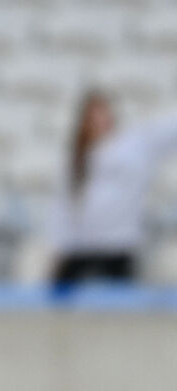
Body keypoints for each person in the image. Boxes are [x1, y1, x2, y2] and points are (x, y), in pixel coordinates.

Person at [51, 88, 177, 286]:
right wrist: (60, 244)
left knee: (119, 310)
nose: (99, 121)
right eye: (93, 117)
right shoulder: (76, 158)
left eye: (103, 114)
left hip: (119, 247)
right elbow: (63, 207)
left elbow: (168, 129)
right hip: (80, 248)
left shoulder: (134, 144)